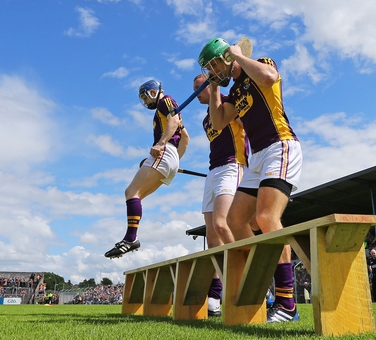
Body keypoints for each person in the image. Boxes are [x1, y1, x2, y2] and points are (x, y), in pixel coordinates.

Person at [198, 38, 302, 323]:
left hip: (280, 145)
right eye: (209, 68)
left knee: (267, 218)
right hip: (258, 158)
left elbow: (270, 78)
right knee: (234, 221)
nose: (213, 69)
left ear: (227, 57)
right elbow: (218, 123)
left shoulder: (262, 64)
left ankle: (287, 302)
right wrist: (216, 86)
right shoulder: (231, 91)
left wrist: (238, 56)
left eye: (215, 64)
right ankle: (263, 271)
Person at [105, 80, 190, 258]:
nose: (146, 101)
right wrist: (174, 162)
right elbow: (185, 138)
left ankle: (131, 239)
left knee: (131, 192)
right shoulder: (164, 108)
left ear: (154, 91)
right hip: (170, 155)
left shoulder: (164, 101)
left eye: (146, 96)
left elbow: (173, 121)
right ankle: (131, 238)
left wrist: (161, 145)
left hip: (164, 151)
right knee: (136, 196)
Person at [193, 73, 249, 317]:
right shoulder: (207, 119)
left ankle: (249, 282)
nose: (195, 93)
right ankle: (215, 297)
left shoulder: (228, 102)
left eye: (199, 87)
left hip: (232, 165)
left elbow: (248, 129)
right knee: (211, 235)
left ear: (210, 85)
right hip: (213, 170)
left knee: (222, 224)